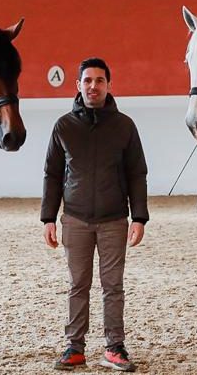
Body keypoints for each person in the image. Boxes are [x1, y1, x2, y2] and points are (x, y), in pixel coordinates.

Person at [42, 58, 149, 372]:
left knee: (113, 286)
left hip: (114, 220)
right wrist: (48, 217)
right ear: (78, 85)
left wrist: (139, 217)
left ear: (108, 85)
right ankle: (74, 347)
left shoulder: (125, 126)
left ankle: (115, 347)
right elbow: (51, 174)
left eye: (99, 80)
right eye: (87, 80)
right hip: (74, 219)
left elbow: (137, 174)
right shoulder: (63, 126)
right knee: (78, 285)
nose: (93, 86)